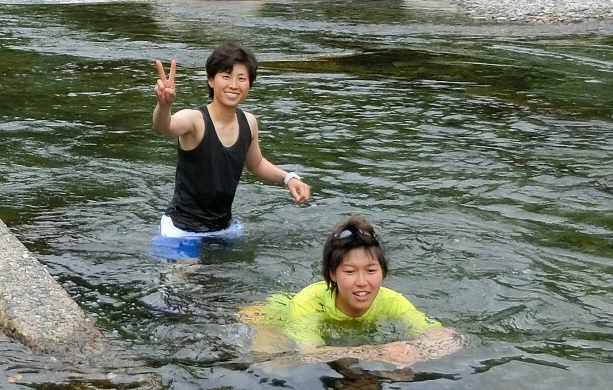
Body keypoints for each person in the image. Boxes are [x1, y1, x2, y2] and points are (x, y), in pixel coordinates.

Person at [151, 44, 309, 257]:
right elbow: (164, 127)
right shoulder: (195, 120)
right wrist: (164, 105)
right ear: (211, 80)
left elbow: (256, 163)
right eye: (226, 76)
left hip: (223, 229)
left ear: (249, 84)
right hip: (182, 230)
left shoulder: (249, 122)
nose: (233, 85)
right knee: (188, 277)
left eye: (241, 78)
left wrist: (288, 178)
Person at [243, 215, 462, 368]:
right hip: (271, 317)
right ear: (332, 274)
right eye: (349, 271)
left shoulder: (393, 301)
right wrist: (377, 352)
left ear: (384, 273)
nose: (362, 282)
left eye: (371, 270)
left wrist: (411, 351)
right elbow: (310, 354)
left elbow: (450, 339)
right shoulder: (307, 303)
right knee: (272, 367)